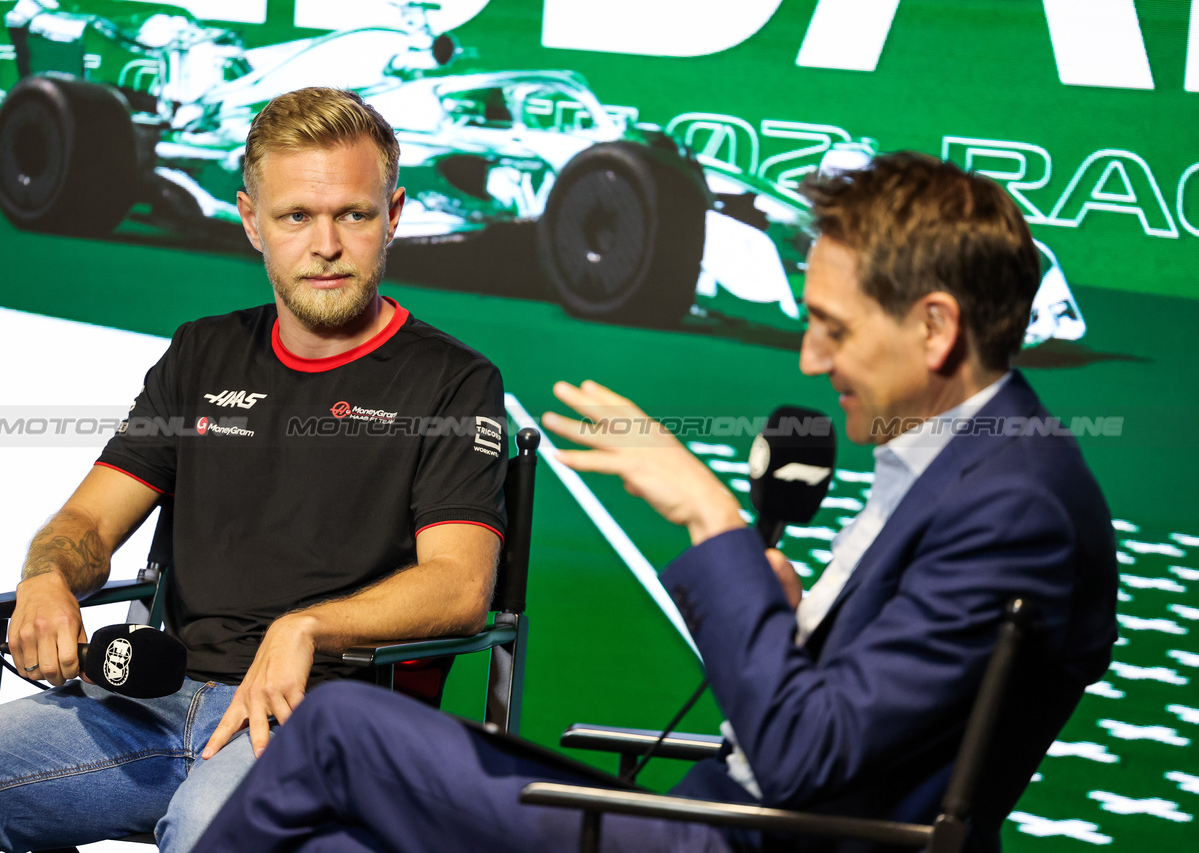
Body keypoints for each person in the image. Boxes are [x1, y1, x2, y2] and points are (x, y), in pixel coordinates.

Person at [191, 153, 1119, 853]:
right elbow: (860, 713)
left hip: (725, 836)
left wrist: (710, 518)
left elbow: (804, 756)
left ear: (935, 326)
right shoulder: (977, 464)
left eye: (833, 329)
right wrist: (780, 613)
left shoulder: (1012, 508)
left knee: (340, 726)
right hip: (706, 807)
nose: (810, 359)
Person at [0, 87, 507, 852]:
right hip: (154, 703)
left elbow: (461, 588)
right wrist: (46, 578)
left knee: (207, 828)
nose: (325, 244)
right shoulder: (202, 352)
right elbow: (87, 522)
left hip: (325, 719)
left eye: (353, 215)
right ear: (250, 220)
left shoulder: (454, 382)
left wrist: (309, 625)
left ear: (393, 215)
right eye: (296, 215)